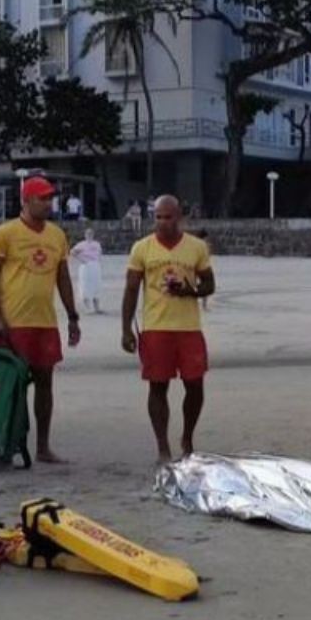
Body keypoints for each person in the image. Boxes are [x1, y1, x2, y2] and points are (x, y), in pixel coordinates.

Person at [0, 176, 81, 463]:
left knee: (45, 384)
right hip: (14, 323)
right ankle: (3, 444)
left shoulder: (57, 235)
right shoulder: (6, 233)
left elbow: (62, 278)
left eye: (51, 198)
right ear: (26, 201)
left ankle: (42, 447)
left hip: (45, 323)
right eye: (43, 198)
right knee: (10, 387)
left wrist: (72, 316)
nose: (49, 203)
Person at [122, 196, 216, 463]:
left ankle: (187, 437)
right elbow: (130, 290)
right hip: (156, 328)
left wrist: (191, 291)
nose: (162, 222)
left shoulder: (196, 247)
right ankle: (162, 446)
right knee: (158, 387)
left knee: (195, 385)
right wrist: (126, 328)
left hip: (188, 328)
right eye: (158, 217)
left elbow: (210, 285)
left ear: (179, 217)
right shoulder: (142, 248)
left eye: (168, 217)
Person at [71, 228, 104, 314]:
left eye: (91, 234)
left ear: (93, 235)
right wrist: (81, 259)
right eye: (88, 234)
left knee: (96, 286)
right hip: (86, 266)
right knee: (85, 286)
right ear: (85, 235)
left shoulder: (97, 244)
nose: (89, 236)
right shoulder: (81, 244)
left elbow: (99, 254)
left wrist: (99, 264)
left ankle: (97, 307)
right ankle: (88, 307)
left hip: (95, 266)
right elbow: (72, 252)